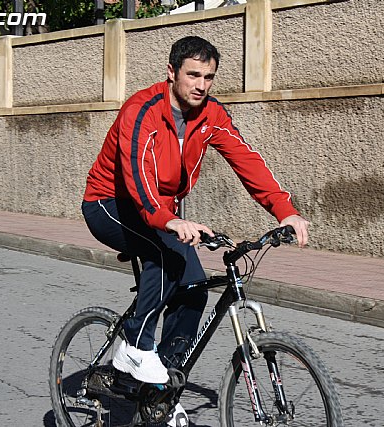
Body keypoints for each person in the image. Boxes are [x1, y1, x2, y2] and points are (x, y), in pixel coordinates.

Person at [82, 36, 309, 425]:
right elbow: (138, 177)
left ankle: (160, 390)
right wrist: (169, 220)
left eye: (209, 77)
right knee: (163, 255)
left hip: (160, 213)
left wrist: (285, 211)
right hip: (110, 205)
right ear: (171, 72)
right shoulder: (141, 111)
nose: (201, 85)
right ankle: (135, 347)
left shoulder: (211, 114)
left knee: (193, 289)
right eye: (193, 75)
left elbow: (246, 160)